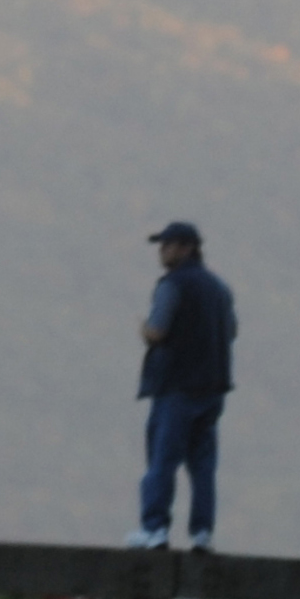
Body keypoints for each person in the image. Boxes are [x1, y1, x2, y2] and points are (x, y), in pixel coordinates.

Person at [130, 221, 237, 550]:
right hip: (213, 389)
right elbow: (230, 331)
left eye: (168, 245)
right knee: (202, 466)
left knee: (162, 461)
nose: (162, 251)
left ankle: (155, 529)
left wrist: (143, 330)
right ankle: (202, 533)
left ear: (187, 248)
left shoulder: (172, 286)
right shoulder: (220, 289)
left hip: (176, 387)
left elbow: (158, 331)